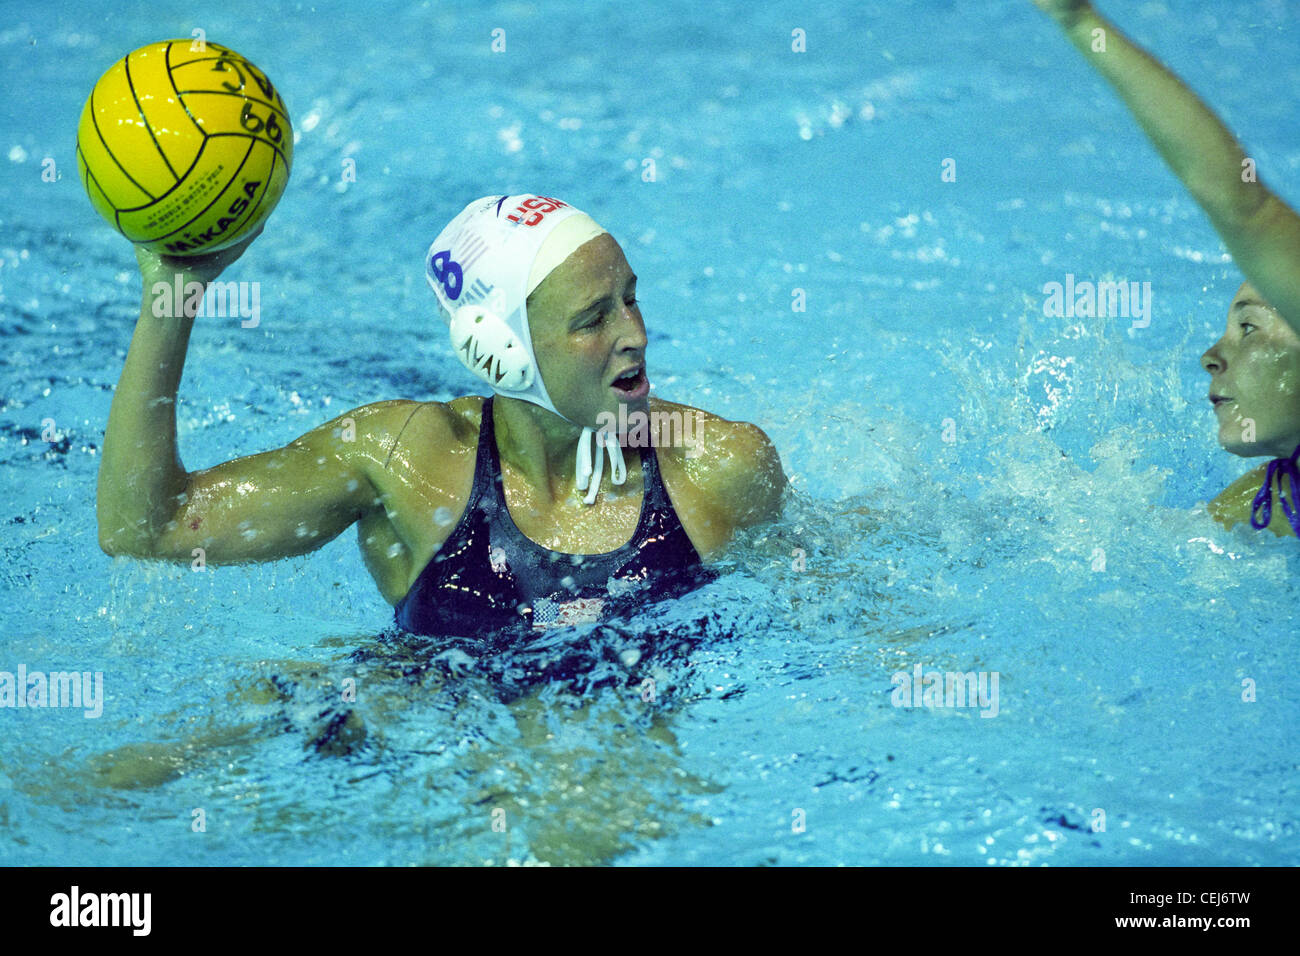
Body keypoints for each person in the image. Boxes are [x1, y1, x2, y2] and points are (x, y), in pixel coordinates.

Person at [97, 194, 787, 634]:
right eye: (593, 319)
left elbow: (824, 589)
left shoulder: (716, 465)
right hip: (415, 737)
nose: (634, 333)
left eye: (631, 298)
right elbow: (145, 527)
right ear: (498, 350)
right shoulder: (407, 461)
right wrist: (176, 293)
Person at [1032, 0, 1300, 537]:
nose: (1211, 357)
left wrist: (1078, 19)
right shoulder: (1271, 498)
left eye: (1249, 327)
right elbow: (1133, 547)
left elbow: (1243, 206)